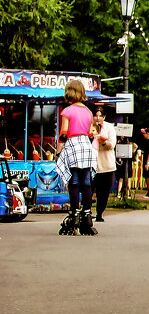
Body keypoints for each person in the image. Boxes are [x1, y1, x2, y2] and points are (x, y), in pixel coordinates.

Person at [57, 79, 97, 235]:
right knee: (86, 183)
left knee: (73, 183)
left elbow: (64, 133)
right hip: (86, 146)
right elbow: (89, 132)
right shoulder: (88, 112)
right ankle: (87, 215)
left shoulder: (67, 111)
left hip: (73, 144)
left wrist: (59, 151)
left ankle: (74, 215)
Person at [91, 106, 117, 222]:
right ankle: (86, 211)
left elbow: (112, 144)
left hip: (106, 164)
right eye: (96, 115)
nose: (97, 118)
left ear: (104, 117)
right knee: (89, 188)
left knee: (104, 191)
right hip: (92, 164)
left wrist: (103, 142)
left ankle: (100, 213)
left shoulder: (109, 127)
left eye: (100, 116)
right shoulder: (89, 126)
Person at [135, 127, 149, 197]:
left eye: (144, 133)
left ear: (148, 133)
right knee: (147, 176)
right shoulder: (147, 141)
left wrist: (147, 163)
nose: (143, 135)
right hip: (147, 161)